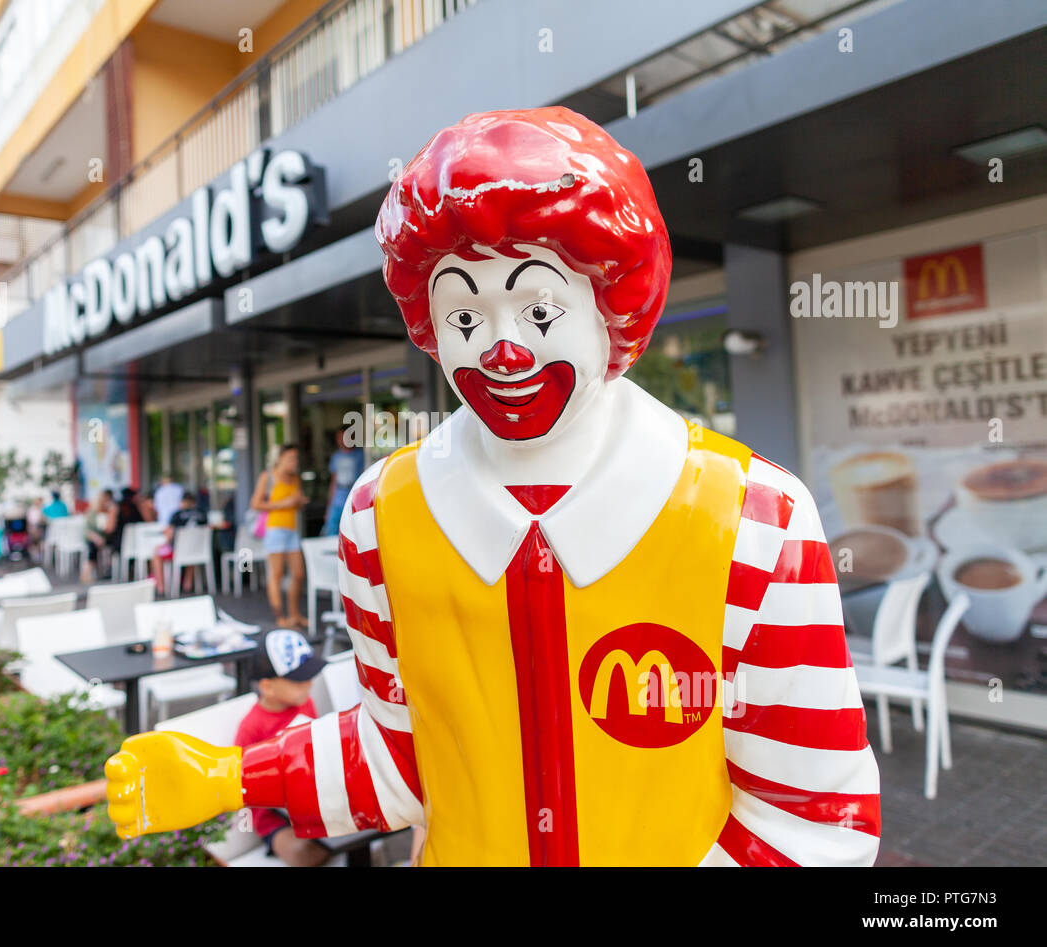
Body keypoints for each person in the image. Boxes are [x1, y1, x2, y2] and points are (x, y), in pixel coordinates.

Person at [107, 107, 879, 867]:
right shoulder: (380, 520)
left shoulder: (755, 518)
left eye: (539, 309)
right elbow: (404, 760)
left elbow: (814, 816)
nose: (504, 349)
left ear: (613, 306)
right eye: (465, 317)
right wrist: (233, 775)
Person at [232, 630, 330, 866]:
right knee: (303, 852)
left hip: (312, 803)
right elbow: (241, 783)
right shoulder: (251, 728)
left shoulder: (306, 703)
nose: (309, 683)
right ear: (268, 687)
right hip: (273, 819)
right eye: (298, 680)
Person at [250, 445, 308, 628]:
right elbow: (256, 504)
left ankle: (294, 615)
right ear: (280, 459)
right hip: (274, 529)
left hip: (292, 530)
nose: (294, 462)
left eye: (296, 459)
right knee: (277, 574)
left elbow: (297, 505)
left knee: (299, 574)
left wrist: (299, 502)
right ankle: (280, 617)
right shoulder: (268, 477)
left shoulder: (295, 479)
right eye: (291, 458)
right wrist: (283, 504)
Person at [151, 491, 206, 596]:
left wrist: (164, 542)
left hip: (178, 552)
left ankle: (161, 587)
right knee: (191, 552)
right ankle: (187, 584)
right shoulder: (202, 514)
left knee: (156, 553)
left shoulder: (177, 515)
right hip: (197, 551)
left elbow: (169, 534)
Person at [323, 426, 366, 536]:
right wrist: (329, 506)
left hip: (353, 499)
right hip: (337, 500)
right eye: (340, 438)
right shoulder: (336, 456)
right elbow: (333, 482)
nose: (342, 440)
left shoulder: (361, 455)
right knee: (331, 530)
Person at [83, 489, 117, 583]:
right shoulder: (92, 512)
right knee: (93, 546)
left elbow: (109, 529)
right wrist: (96, 537)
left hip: (105, 537)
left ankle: (98, 570)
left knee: (98, 545)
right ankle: (87, 572)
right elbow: (87, 530)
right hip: (94, 538)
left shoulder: (108, 512)